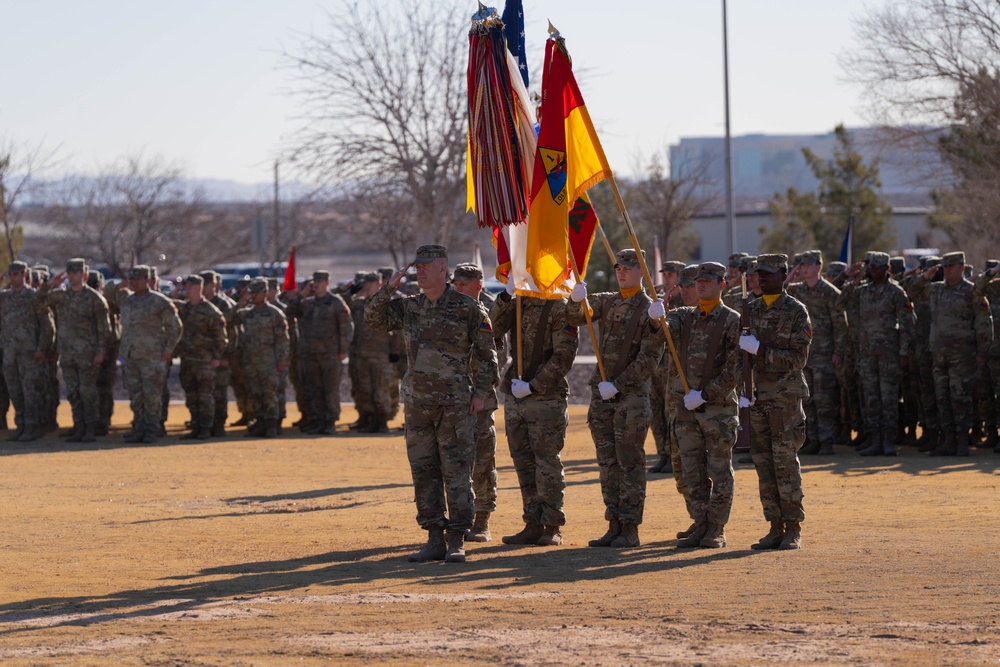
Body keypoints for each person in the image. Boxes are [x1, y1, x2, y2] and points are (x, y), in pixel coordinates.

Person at [365, 245, 498, 564]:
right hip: (418, 403)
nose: (420, 271)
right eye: (417, 266)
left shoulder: (468, 308)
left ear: (443, 268)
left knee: (456, 472)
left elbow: (487, 356)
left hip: (455, 405)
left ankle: (457, 539)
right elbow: (373, 318)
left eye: (426, 266)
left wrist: (480, 394)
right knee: (424, 472)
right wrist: (389, 287)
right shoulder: (409, 306)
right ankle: (433, 538)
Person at [566, 249, 664, 549]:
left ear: (641, 271)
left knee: (630, 463)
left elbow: (649, 360)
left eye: (628, 268)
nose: (622, 272)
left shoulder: (651, 310)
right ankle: (613, 524)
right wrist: (574, 299)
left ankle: (630, 528)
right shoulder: (607, 300)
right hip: (603, 395)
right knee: (607, 463)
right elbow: (575, 317)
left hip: (631, 397)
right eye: (618, 267)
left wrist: (619, 384)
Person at [649, 261, 741, 548]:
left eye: (708, 280)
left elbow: (735, 368)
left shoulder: (731, 320)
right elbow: (662, 330)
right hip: (686, 407)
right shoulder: (686, 316)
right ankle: (700, 523)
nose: (701, 285)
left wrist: (706, 394)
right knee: (692, 470)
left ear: (722, 284)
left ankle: (716, 529)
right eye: (698, 280)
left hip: (716, 409)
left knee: (718, 470)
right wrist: (656, 316)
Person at [490, 278, 579, 546]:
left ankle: (553, 525)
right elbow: (491, 328)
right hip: (516, 394)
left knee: (546, 463)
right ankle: (532, 522)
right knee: (523, 461)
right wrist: (505, 297)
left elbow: (564, 355)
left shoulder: (558, 307)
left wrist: (534, 386)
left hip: (545, 398)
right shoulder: (517, 302)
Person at [738, 254, 811, 550]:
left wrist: (760, 350)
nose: (763, 278)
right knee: (763, 465)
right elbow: (739, 358)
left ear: (784, 275)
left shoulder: (795, 311)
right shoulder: (750, 309)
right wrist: (742, 389)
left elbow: (797, 359)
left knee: (785, 464)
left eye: (769, 273)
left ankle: (793, 527)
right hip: (757, 399)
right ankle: (774, 526)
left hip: (785, 399)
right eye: (759, 274)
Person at [908, 251, 993, 456]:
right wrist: (924, 277)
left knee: (960, 399)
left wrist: (982, 351)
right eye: (944, 267)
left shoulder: (971, 292)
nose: (947, 270)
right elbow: (910, 292)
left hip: (962, 356)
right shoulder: (936, 290)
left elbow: (984, 324)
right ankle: (947, 440)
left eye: (951, 266)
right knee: (942, 398)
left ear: (962, 268)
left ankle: (962, 441)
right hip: (939, 355)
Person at [841, 252, 915, 457]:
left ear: (886, 268)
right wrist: (857, 277)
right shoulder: (862, 291)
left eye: (876, 267)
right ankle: (875, 440)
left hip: (888, 355)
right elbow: (842, 301)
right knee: (871, 399)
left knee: (889, 399)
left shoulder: (896, 292)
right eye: (870, 268)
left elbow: (908, 325)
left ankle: (889, 442)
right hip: (866, 353)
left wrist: (903, 353)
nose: (872, 271)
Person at [450, 263, 501, 542]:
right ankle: (459, 517)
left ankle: (482, 520)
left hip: (481, 397)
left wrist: (481, 392)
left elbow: (494, 356)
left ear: (478, 285)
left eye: (463, 284)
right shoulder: (448, 307)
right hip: (452, 396)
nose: (457, 288)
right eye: (455, 283)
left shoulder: (493, 311)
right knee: (454, 461)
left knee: (482, 459)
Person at [35, 259, 112, 443]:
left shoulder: (94, 299)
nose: (71, 276)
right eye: (69, 273)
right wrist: (49, 285)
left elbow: (105, 328)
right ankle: (78, 426)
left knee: (88, 392)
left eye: (75, 273)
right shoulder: (60, 296)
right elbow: (37, 302)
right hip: (68, 353)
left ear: (84, 275)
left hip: (88, 355)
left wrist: (101, 351)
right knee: (73, 392)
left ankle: (89, 428)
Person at [113, 265, 183, 444]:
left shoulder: (159, 301)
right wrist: (121, 284)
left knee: (152, 396)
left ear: (147, 280)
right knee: (136, 396)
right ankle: (139, 428)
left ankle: (152, 430)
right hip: (131, 356)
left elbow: (175, 327)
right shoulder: (127, 300)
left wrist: (168, 350)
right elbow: (107, 293)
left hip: (153, 357)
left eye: (137, 279)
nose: (133, 282)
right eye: (131, 279)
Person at [786, 250, 847, 455]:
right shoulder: (797, 290)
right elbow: (779, 291)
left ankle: (826, 441)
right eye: (801, 265)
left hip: (824, 353)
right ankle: (811, 440)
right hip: (803, 354)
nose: (804, 269)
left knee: (824, 400)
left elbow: (840, 326)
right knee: (807, 400)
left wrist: (838, 351)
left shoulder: (831, 293)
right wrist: (791, 273)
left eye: (807, 265)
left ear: (819, 266)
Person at [284, 271, 353, 435]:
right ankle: (318, 420)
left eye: (320, 281)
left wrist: (343, 350)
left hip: (330, 354)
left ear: (327, 283)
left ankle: (330, 421)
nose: (317, 284)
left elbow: (346, 328)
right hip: (311, 354)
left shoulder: (336, 303)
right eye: (315, 281)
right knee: (314, 389)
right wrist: (301, 296)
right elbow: (288, 314)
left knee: (330, 389)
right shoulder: (307, 303)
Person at [1, 261, 55, 442]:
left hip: (29, 353)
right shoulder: (5, 298)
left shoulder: (34, 297)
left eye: (17, 274)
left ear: (25, 275)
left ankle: (33, 427)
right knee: (15, 391)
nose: (14, 277)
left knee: (30, 391)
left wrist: (42, 349)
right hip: (9, 354)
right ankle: (21, 425)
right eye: (11, 274)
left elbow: (47, 326)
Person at [234, 279, 290, 438]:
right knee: (255, 393)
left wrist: (282, 360)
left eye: (257, 293)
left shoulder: (274, 314)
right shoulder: (247, 313)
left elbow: (283, 340)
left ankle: (272, 425)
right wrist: (240, 303)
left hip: (269, 362)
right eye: (252, 293)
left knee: (269, 394)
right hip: (251, 362)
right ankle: (260, 422)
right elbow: (229, 319)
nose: (253, 296)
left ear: (265, 293)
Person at [176, 275, 228, 439]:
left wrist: (217, 357)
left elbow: (221, 337)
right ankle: (196, 426)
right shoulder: (185, 309)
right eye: (186, 287)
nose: (187, 289)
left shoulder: (211, 311)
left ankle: (206, 428)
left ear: (199, 288)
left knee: (205, 396)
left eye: (190, 287)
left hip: (205, 361)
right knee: (191, 396)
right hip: (188, 359)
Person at [349, 273, 400, 433]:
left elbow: (398, 330)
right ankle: (371, 420)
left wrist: (395, 353)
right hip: (362, 354)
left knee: (381, 389)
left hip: (381, 355)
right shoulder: (358, 304)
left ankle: (382, 422)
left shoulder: (388, 303)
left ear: (379, 283)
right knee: (365, 389)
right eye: (366, 283)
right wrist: (351, 291)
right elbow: (339, 304)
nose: (367, 286)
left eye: (371, 283)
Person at [649, 260, 686, 474]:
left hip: (673, 366)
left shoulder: (684, 301)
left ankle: (674, 456)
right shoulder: (658, 298)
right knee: (656, 413)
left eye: (672, 274)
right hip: (656, 365)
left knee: (671, 412)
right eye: (666, 274)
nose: (668, 278)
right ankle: (662, 454)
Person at [201, 271, 240, 436]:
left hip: (220, 357)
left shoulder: (224, 305)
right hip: (202, 357)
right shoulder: (198, 304)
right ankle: (203, 424)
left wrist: (225, 356)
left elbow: (232, 333)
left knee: (218, 393)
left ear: (214, 285)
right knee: (203, 393)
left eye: (206, 284)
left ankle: (218, 424)